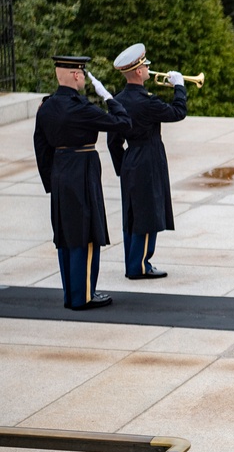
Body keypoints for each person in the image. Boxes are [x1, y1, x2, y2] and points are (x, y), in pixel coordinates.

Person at [33, 56, 132, 310]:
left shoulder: (46, 107)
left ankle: (71, 294)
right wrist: (111, 100)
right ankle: (84, 295)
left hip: (60, 171)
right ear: (77, 75)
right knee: (86, 233)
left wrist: (51, 181)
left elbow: (41, 146)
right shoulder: (80, 108)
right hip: (82, 170)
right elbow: (123, 124)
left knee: (66, 234)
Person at [107, 43, 187, 279]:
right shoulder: (147, 102)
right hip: (148, 159)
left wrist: (123, 167)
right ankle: (140, 266)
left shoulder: (117, 101)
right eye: (146, 66)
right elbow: (178, 112)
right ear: (139, 72)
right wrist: (179, 87)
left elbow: (113, 141)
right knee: (147, 214)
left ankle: (133, 262)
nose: (149, 69)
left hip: (131, 157)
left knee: (132, 215)